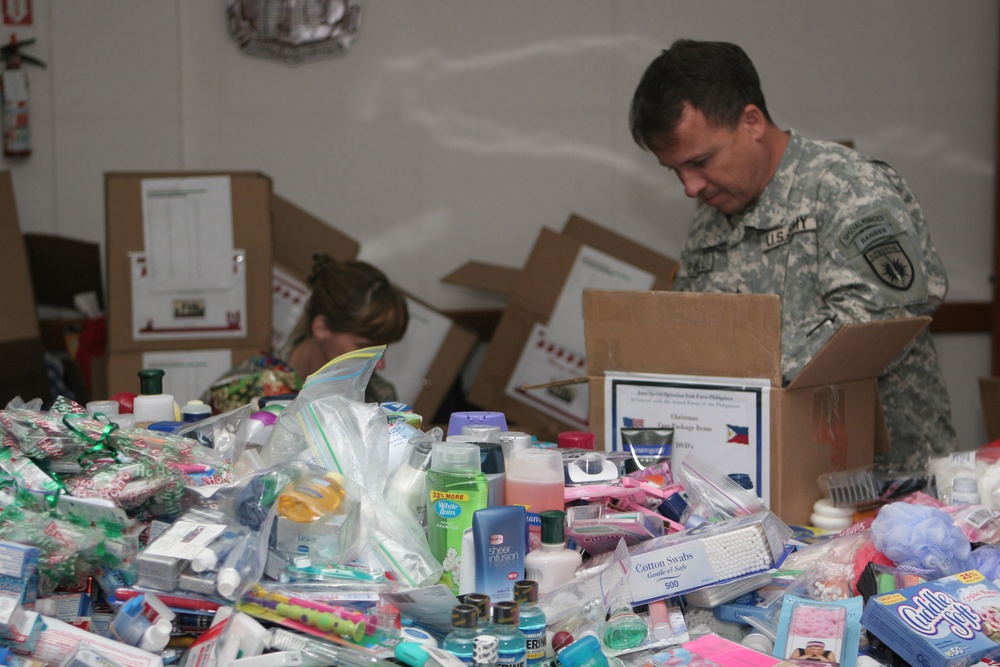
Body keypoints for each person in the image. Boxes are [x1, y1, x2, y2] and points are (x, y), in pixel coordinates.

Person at [628, 39, 958, 473]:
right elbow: (694, 337)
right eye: (675, 171)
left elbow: (878, 321)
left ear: (751, 122)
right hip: (767, 478)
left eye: (701, 161)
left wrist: (743, 373)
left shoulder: (845, 186)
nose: (690, 187)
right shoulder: (711, 219)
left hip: (886, 482)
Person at [206, 254, 409, 413]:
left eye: (384, 348)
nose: (381, 364)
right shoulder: (243, 389)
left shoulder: (377, 398)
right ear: (322, 329)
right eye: (366, 347)